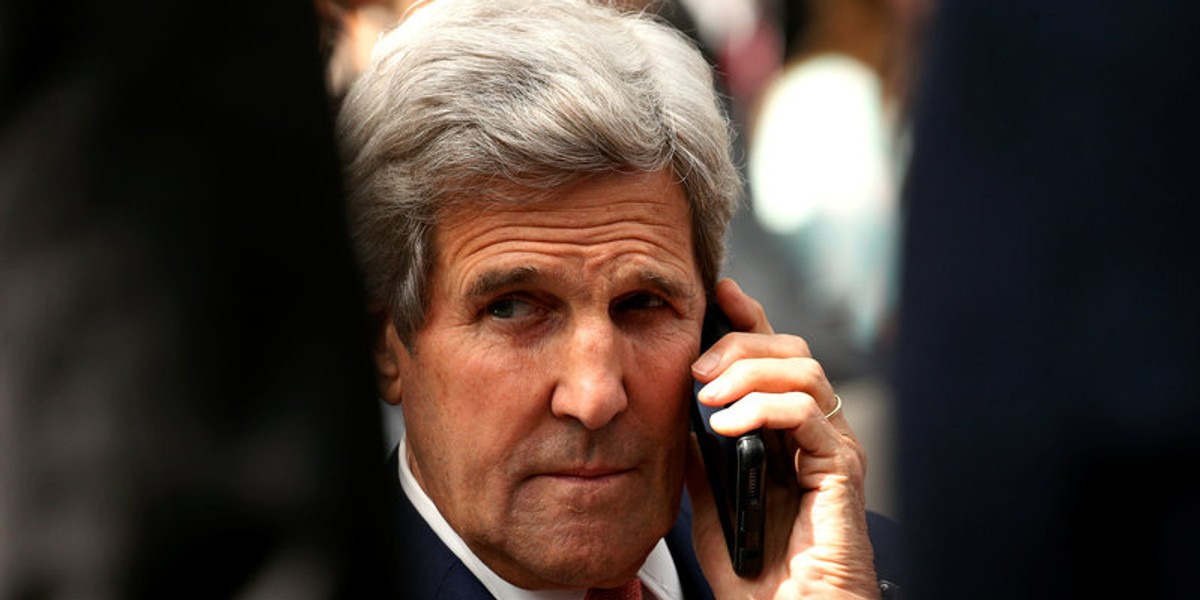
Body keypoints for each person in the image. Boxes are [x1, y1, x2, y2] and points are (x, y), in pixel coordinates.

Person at [335, 0, 900, 598]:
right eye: (512, 308)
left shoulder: (858, 570)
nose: (595, 396)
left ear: (719, 327)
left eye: (643, 304)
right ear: (386, 346)